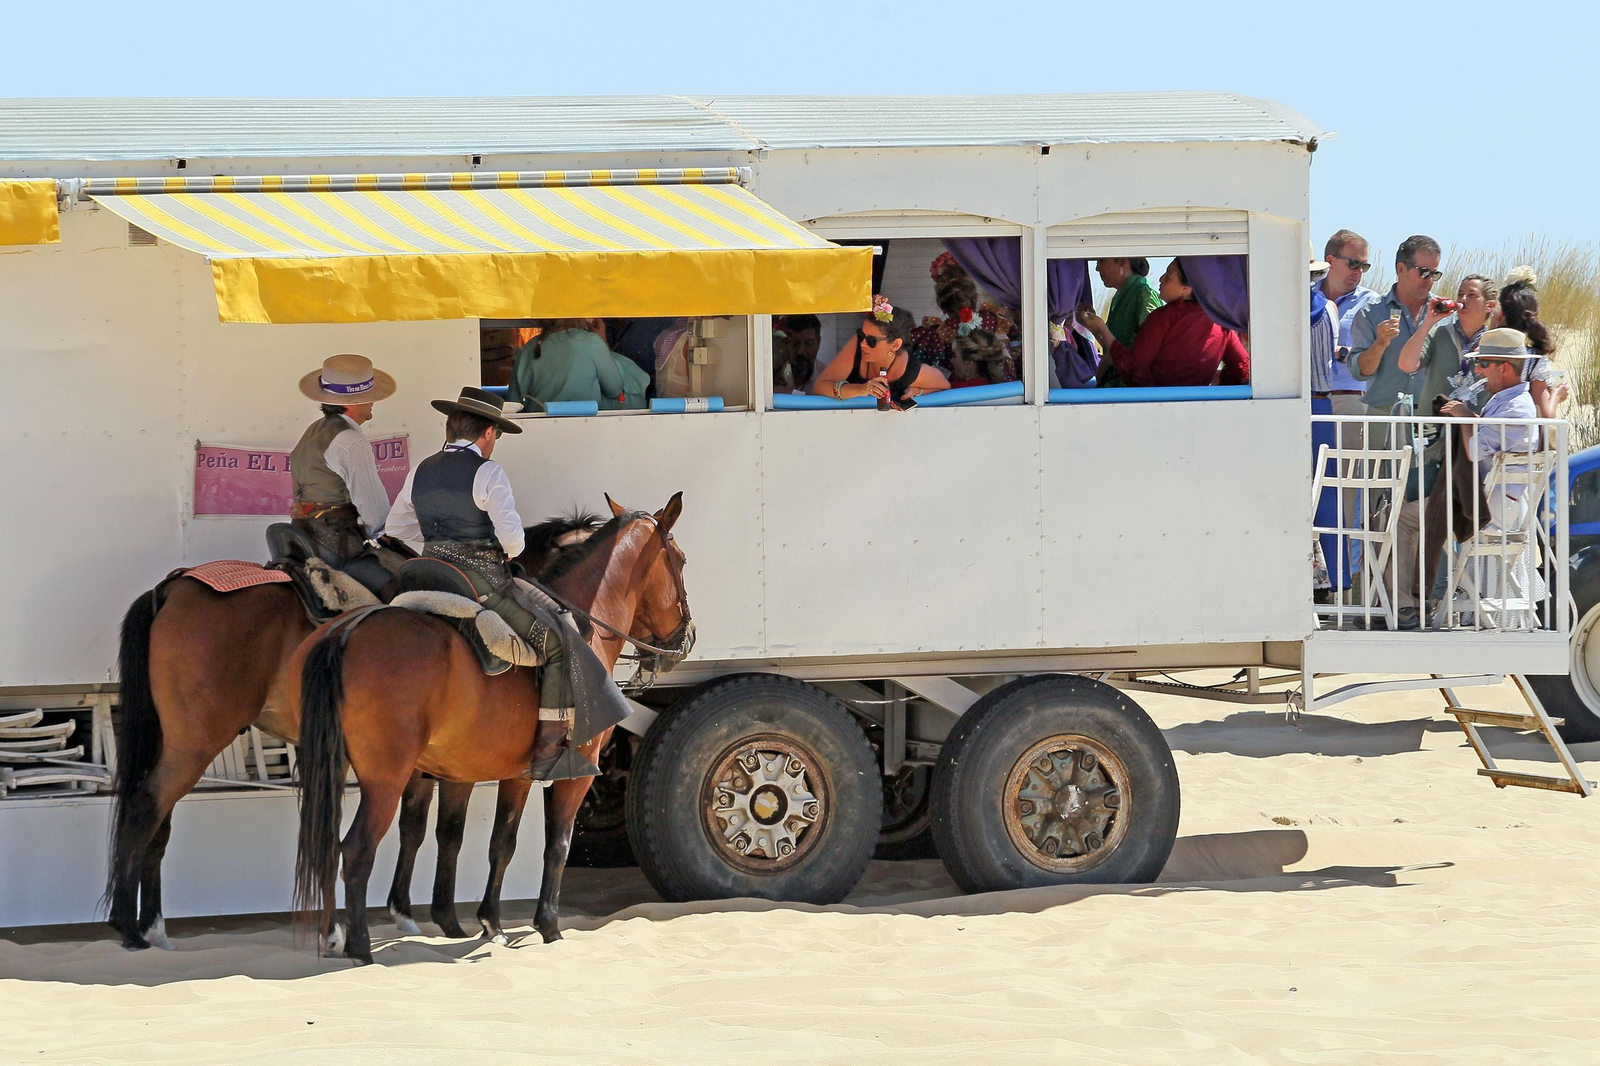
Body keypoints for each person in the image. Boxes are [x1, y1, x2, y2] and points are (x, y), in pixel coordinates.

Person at [386, 387, 604, 780]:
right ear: (487, 433)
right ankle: (547, 755)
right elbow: (516, 543)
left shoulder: (420, 470)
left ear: (452, 428)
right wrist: (488, 551)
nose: (494, 444)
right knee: (557, 645)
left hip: (430, 574)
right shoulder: (488, 472)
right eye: (497, 436)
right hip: (480, 583)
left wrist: (439, 546)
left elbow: (396, 527)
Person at [1357, 273, 1497, 628]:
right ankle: (1410, 605)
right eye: (1460, 293)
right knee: (1408, 515)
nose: (1462, 299)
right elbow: (1407, 364)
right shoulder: (1441, 333)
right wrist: (1429, 321)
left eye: (1472, 295)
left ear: (1490, 306)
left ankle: (1412, 604)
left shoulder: (1496, 343)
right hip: (1434, 446)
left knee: (1409, 519)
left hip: (1474, 452)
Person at [1438, 330, 1549, 621]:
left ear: (1504, 367)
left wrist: (1463, 418)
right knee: (1425, 513)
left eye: (1484, 363)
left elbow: (1475, 451)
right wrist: (1473, 419)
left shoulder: (1513, 406)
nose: (1478, 370)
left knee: (1412, 520)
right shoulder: (1511, 401)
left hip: (1495, 508)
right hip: (1502, 503)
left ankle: (1412, 605)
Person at [290, 354, 397, 565]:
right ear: (352, 403)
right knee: (397, 582)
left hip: (300, 535)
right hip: (334, 540)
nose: (373, 402)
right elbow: (373, 511)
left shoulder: (313, 430)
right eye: (370, 396)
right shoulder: (351, 441)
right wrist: (383, 532)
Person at [1078, 260, 1249, 387]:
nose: (1160, 278)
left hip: (1157, 406)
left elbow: (1134, 369)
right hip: (1199, 407)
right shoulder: (1220, 323)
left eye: (1168, 276)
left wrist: (1103, 331)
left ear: (1187, 288)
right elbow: (1242, 368)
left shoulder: (1163, 318)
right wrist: (1215, 384)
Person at [812, 295, 951, 405]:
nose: (863, 343)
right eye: (862, 335)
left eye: (872, 341)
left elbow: (945, 387)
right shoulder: (858, 344)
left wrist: (917, 390)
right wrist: (861, 390)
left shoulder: (911, 371)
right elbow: (820, 387)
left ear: (895, 345)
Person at [506, 319, 649, 411]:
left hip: (536, 435)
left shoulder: (528, 349)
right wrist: (603, 342)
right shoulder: (591, 342)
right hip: (587, 432)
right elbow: (615, 389)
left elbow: (513, 404)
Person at [1489, 267, 1563, 419]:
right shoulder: (1534, 360)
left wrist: (1491, 327)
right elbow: (1545, 415)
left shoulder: (1485, 354)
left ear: (1501, 314)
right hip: (1520, 436)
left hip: (1485, 431)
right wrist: (1556, 395)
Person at [782, 314, 822, 390]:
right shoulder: (772, 376)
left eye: (808, 343)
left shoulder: (827, 378)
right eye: (795, 343)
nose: (801, 351)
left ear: (818, 343)